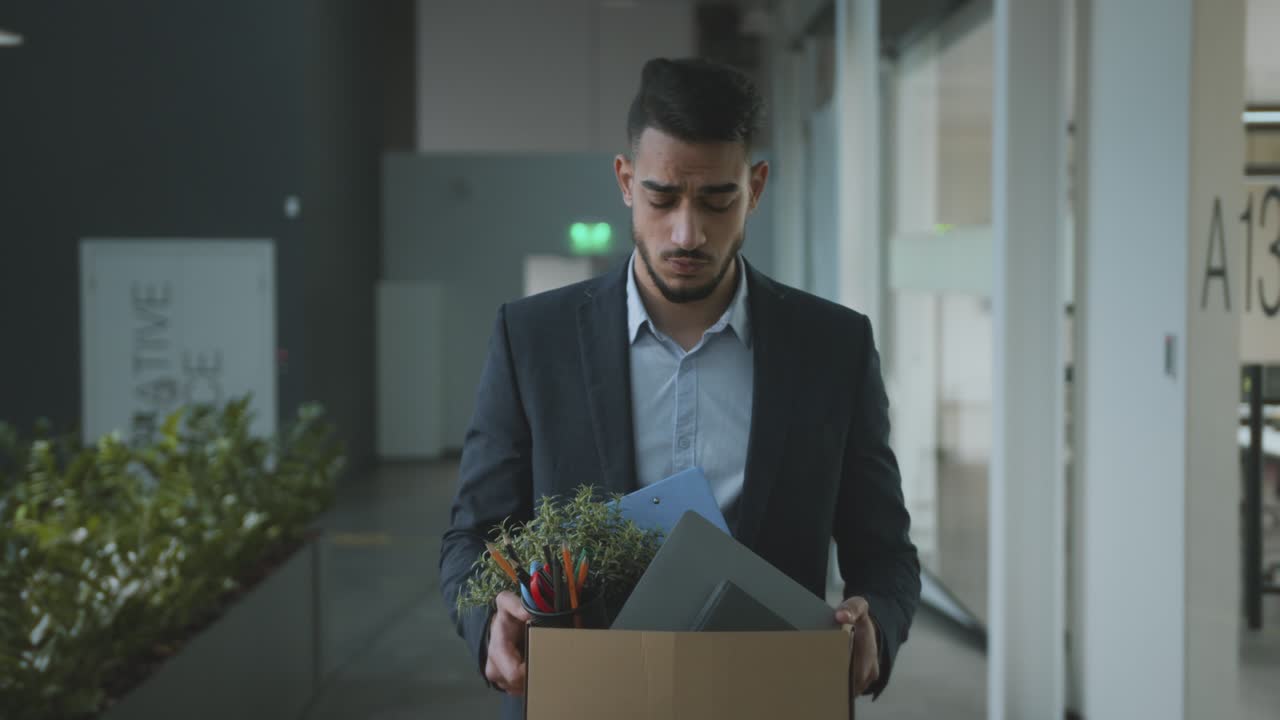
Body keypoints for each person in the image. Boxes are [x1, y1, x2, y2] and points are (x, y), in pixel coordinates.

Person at [439, 57, 920, 717]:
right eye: (663, 197)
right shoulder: (532, 340)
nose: (687, 232)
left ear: (755, 187)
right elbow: (474, 536)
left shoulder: (832, 347)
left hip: (771, 700)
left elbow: (885, 552)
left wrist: (878, 628)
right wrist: (489, 620)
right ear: (625, 181)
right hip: (582, 700)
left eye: (717, 199)